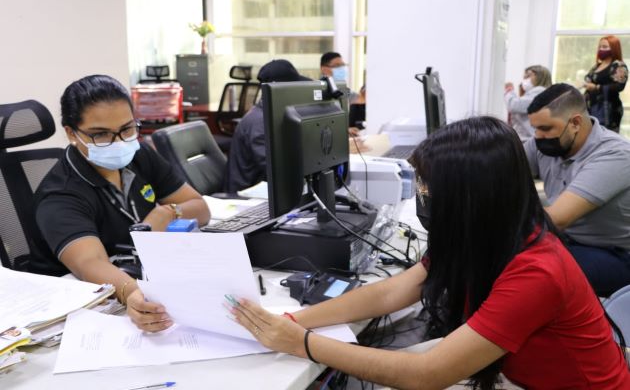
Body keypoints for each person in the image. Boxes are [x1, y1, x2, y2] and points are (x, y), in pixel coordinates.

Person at [228, 117, 629, 389]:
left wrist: (301, 342)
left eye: (427, 188)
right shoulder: (489, 236)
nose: (422, 197)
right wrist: (290, 321)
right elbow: (390, 292)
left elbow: (427, 374)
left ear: (468, 198)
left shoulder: (537, 271)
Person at [30, 75, 210, 332]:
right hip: (75, 314)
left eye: (127, 129)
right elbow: (90, 263)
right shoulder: (60, 194)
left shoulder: (138, 154)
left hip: (145, 274)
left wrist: (169, 213)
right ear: (71, 133)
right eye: (101, 134)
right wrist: (131, 293)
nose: (118, 142)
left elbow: (200, 208)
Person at [526, 83, 630, 297]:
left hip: (615, 254)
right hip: (567, 240)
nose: (537, 136)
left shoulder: (615, 155)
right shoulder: (549, 142)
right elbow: (499, 167)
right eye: (535, 129)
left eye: (545, 129)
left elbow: (557, 219)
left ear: (575, 123)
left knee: (531, 270)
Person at [224, 59, 311, 193]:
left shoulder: (273, 115)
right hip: (249, 195)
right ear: (281, 90)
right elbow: (277, 170)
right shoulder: (261, 123)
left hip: (266, 190)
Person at [583, 35, 628, 132]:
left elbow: (619, 86)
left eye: (605, 47)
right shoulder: (597, 65)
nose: (601, 49)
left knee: (605, 139)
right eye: (600, 47)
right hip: (591, 108)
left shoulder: (618, 65)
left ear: (614, 48)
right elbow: (588, 77)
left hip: (608, 112)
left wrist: (597, 87)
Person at [504, 65, 552, 142]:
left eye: (528, 76)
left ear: (540, 76)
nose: (525, 80)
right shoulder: (534, 93)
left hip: (528, 139)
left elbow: (513, 105)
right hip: (526, 138)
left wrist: (509, 90)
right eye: (524, 77)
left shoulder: (539, 92)